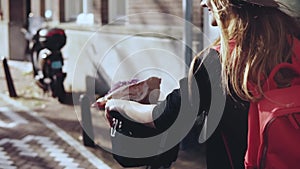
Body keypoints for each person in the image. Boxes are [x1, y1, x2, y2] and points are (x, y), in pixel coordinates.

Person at [105, 0, 300, 168]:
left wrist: (118, 105)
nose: (203, 3)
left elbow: (164, 116)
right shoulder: (294, 44)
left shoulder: (219, 62)